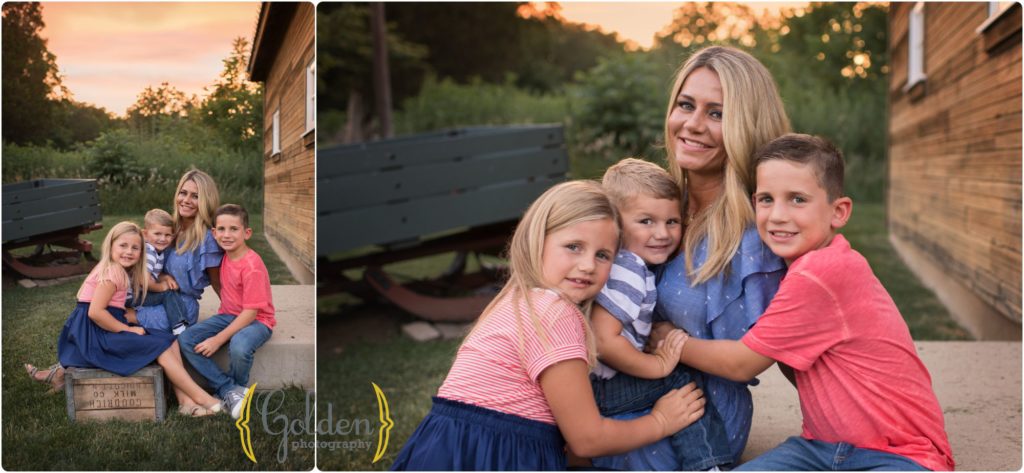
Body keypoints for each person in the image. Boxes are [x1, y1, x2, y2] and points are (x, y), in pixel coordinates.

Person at [676, 133, 955, 471]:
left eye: (797, 199)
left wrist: (670, 341)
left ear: (838, 212)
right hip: (819, 450)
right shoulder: (803, 269)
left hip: (898, 454)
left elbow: (741, 364)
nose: (777, 215)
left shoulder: (822, 272)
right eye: (766, 199)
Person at [391, 181, 708, 471]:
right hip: (495, 453)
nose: (587, 265)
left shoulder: (516, 300)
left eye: (603, 255)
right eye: (573, 247)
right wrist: (660, 421)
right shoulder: (555, 313)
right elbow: (587, 438)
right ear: (537, 241)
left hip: (447, 446)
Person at [598, 45, 792, 468]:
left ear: (746, 125)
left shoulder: (755, 235)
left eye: (717, 113)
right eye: (686, 105)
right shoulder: (659, 207)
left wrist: (665, 339)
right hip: (623, 383)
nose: (693, 124)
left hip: (700, 414)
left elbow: (748, 360)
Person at [589, 158, 732, 470]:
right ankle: (708, 464)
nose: (663, 233)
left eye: (672, 221)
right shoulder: (629, 269)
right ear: (614, 223)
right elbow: (602, 340)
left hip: (601, 384)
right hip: (602, 388)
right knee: (682, 380)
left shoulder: (624, 263)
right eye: (646, 221)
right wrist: (656, 366)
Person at [24, 222, 224, 417]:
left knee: (168, 340)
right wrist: (127, 329)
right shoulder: (113, 272)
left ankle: (186, 403)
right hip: (96, 335)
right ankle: (203, 398)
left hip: (102, 328)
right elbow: (95, 313)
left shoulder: (116, 268)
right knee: (161, 346)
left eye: (135, 247)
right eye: (123, 246)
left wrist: (161, 279)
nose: (129, 251)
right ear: (110, 245)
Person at [178, 204, 274, 419]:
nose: (227, 235)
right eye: (221, 229)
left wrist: (217, 339)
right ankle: (229, 389)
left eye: (234, 229)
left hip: (258, 320)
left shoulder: (252, 266)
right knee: (186, 339)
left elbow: (250, 313)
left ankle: (237, 388)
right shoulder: (223, 256)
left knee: (239, 345)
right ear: (214, 233)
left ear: (247, 233)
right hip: (228, 315)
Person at [135, 169, 223, 333]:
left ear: (206, 201)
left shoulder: (207, 239)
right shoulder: (167, 229)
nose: (186, 200)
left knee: (122, 317)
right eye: (183, 193)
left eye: (195, 196)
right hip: (153, 297)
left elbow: (218, 283)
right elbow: (150, 263)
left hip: (180, 308)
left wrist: (235, 317)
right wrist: (163, 276)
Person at [133, 208, 190, 335]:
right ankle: (179, 326)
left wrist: (165, 278)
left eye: (167, 235)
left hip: (138, 294)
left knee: (169, 293)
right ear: (145, 234)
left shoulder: (156, 251)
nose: (162, 239)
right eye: (157, 234)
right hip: (135, 295)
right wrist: (161, 287)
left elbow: (154, 274)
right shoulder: (150, 252)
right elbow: (144, 281)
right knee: (169, 294)